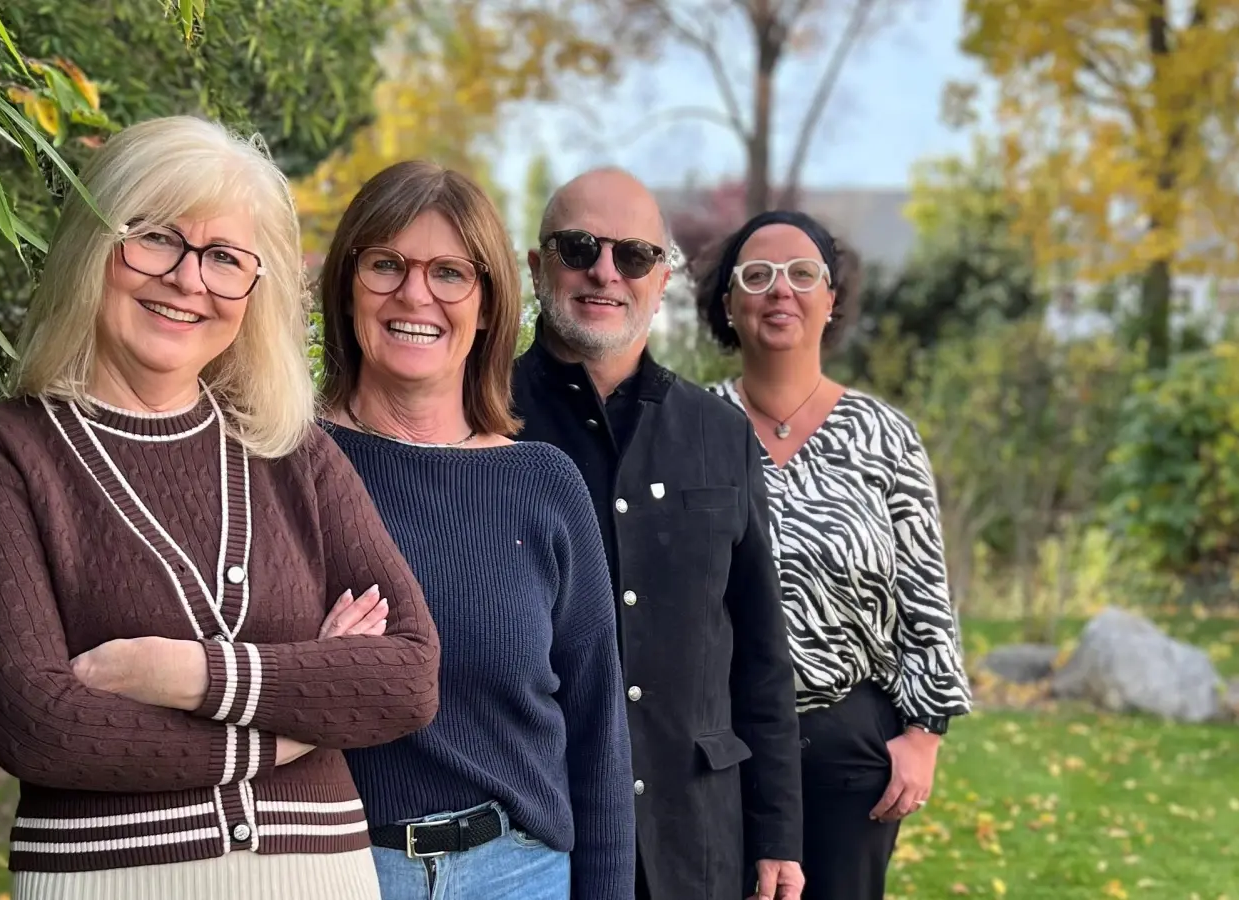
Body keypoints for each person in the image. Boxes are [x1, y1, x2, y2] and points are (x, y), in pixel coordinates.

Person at [0, 116, 440, 900]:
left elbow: (406, 676)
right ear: (93, 247)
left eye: (226, 258)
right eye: (156, 238)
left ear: (255, 290)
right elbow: (40, 726)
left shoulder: (292, 452)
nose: (189, 279)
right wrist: (302, 720)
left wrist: (181, 673)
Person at [313, 160, 635, 900]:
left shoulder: (544, 485)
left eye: (450, 273)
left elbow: (597, 730)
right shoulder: (283, 466)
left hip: (518, 871)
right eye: (386, 264)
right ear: (347, 286)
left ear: (489, 304)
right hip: (337, 870)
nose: (415, 294)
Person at [513, 167, 803, 900]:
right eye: (579, 248)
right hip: (540, 828)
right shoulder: (483, 419)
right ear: (536, 266)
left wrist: (778, 838)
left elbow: (762, 652)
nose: (605, 272)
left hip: (696, 830)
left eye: (634, 256)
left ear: (663, 277)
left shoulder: (720, 433)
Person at [694, 209, 973, 900]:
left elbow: (925, 594)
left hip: (850, 744)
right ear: (728, 304)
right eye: (756, 276)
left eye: (801, 274)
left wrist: (923, 735)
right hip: (719, 748)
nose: (779, 290)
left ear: (831, 298)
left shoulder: (884, 435)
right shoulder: (688, 427)